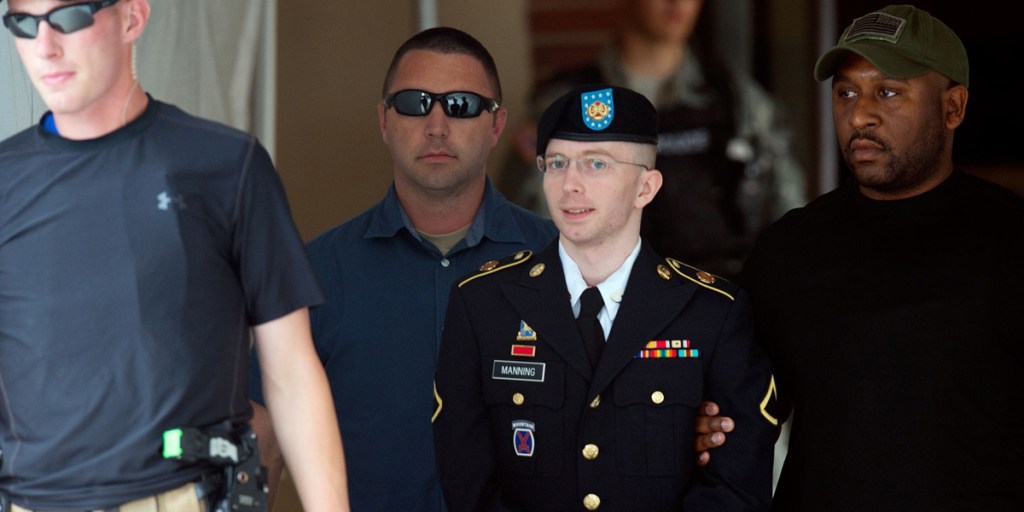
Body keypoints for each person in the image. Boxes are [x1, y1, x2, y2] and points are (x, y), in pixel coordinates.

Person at [247, 27, 734, 512]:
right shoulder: (315, 272)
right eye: (415, 103)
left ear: (497, 125)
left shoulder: (570, 261)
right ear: (383, 120)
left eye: (461, 105)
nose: (436, 125)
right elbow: (262, 432)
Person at [0, 0, 348, 511]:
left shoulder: (226, 165)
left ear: (132, 18)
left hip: (181, 498)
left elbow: (291, 371)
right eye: (23, 24)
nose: (44, 46)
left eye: (69, 17)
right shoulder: (6, 182)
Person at [434, 84, 778, 511]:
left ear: (645, 187)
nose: (570, 184)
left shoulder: (712, 314)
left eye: (596, 164)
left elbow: (737, 486)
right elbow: (468, 480)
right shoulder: (483, 305)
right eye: (556, 163)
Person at [740, 5, 1024, 510]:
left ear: (953, 107)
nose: (859, 114)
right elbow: (739, 415)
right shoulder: (789, 250)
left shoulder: (1010, 240)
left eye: (888, 92)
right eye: (846, 92)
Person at [508, 0, 806, 279]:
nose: (677, 3)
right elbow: (532, 230)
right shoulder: (569, 106)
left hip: (723, 298)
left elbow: (789, 221)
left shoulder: (739, 102)